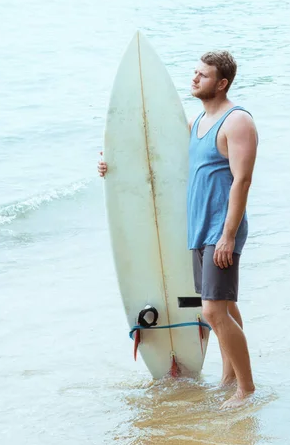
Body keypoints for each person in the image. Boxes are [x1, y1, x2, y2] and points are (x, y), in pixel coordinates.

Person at [98, 50, 258, 409]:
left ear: (222, 83)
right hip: (200, 229)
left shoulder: (237, 122)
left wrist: (228, 235)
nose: (194, 79)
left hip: (220, 231)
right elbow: (158, 161)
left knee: (213, 311)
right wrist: (113, 167)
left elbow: (242, 181)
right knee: (226, 307)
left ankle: (246, 389)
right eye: (195, 72)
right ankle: (230, 377)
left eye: (203, 75)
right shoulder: (197, 124)